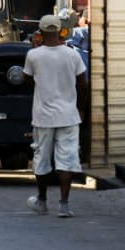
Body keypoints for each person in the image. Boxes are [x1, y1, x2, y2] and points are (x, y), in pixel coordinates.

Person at [23, 14, 88, 218]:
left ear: (40, 33)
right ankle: (64, 205)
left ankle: (42, 201)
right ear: (61, 31)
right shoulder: (72, 55)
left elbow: (27, 79)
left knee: (41, 159)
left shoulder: (34, 55)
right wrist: (81, 109)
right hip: (69, 115)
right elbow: (83, 84)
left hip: (43, 116)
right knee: (66, 160)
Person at [66, 12, 90, 78]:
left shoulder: (79, 32)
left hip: (84, 78)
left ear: (85, 20)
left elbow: (60, 35)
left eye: (81, 17)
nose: (79, 20)